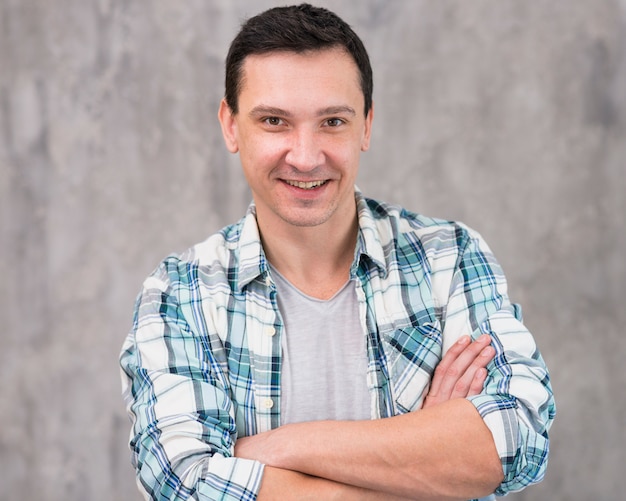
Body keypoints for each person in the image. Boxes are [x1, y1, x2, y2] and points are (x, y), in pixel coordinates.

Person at [120, 4, 555, 500]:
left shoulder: (448, 259)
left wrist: (276, 448)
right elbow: (185, 482)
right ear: (231, 125)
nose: (305, 157)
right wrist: (425, 462)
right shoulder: (179, 294)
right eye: (274, 121)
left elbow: (518, 439)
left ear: (366, 125)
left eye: (332, 121)